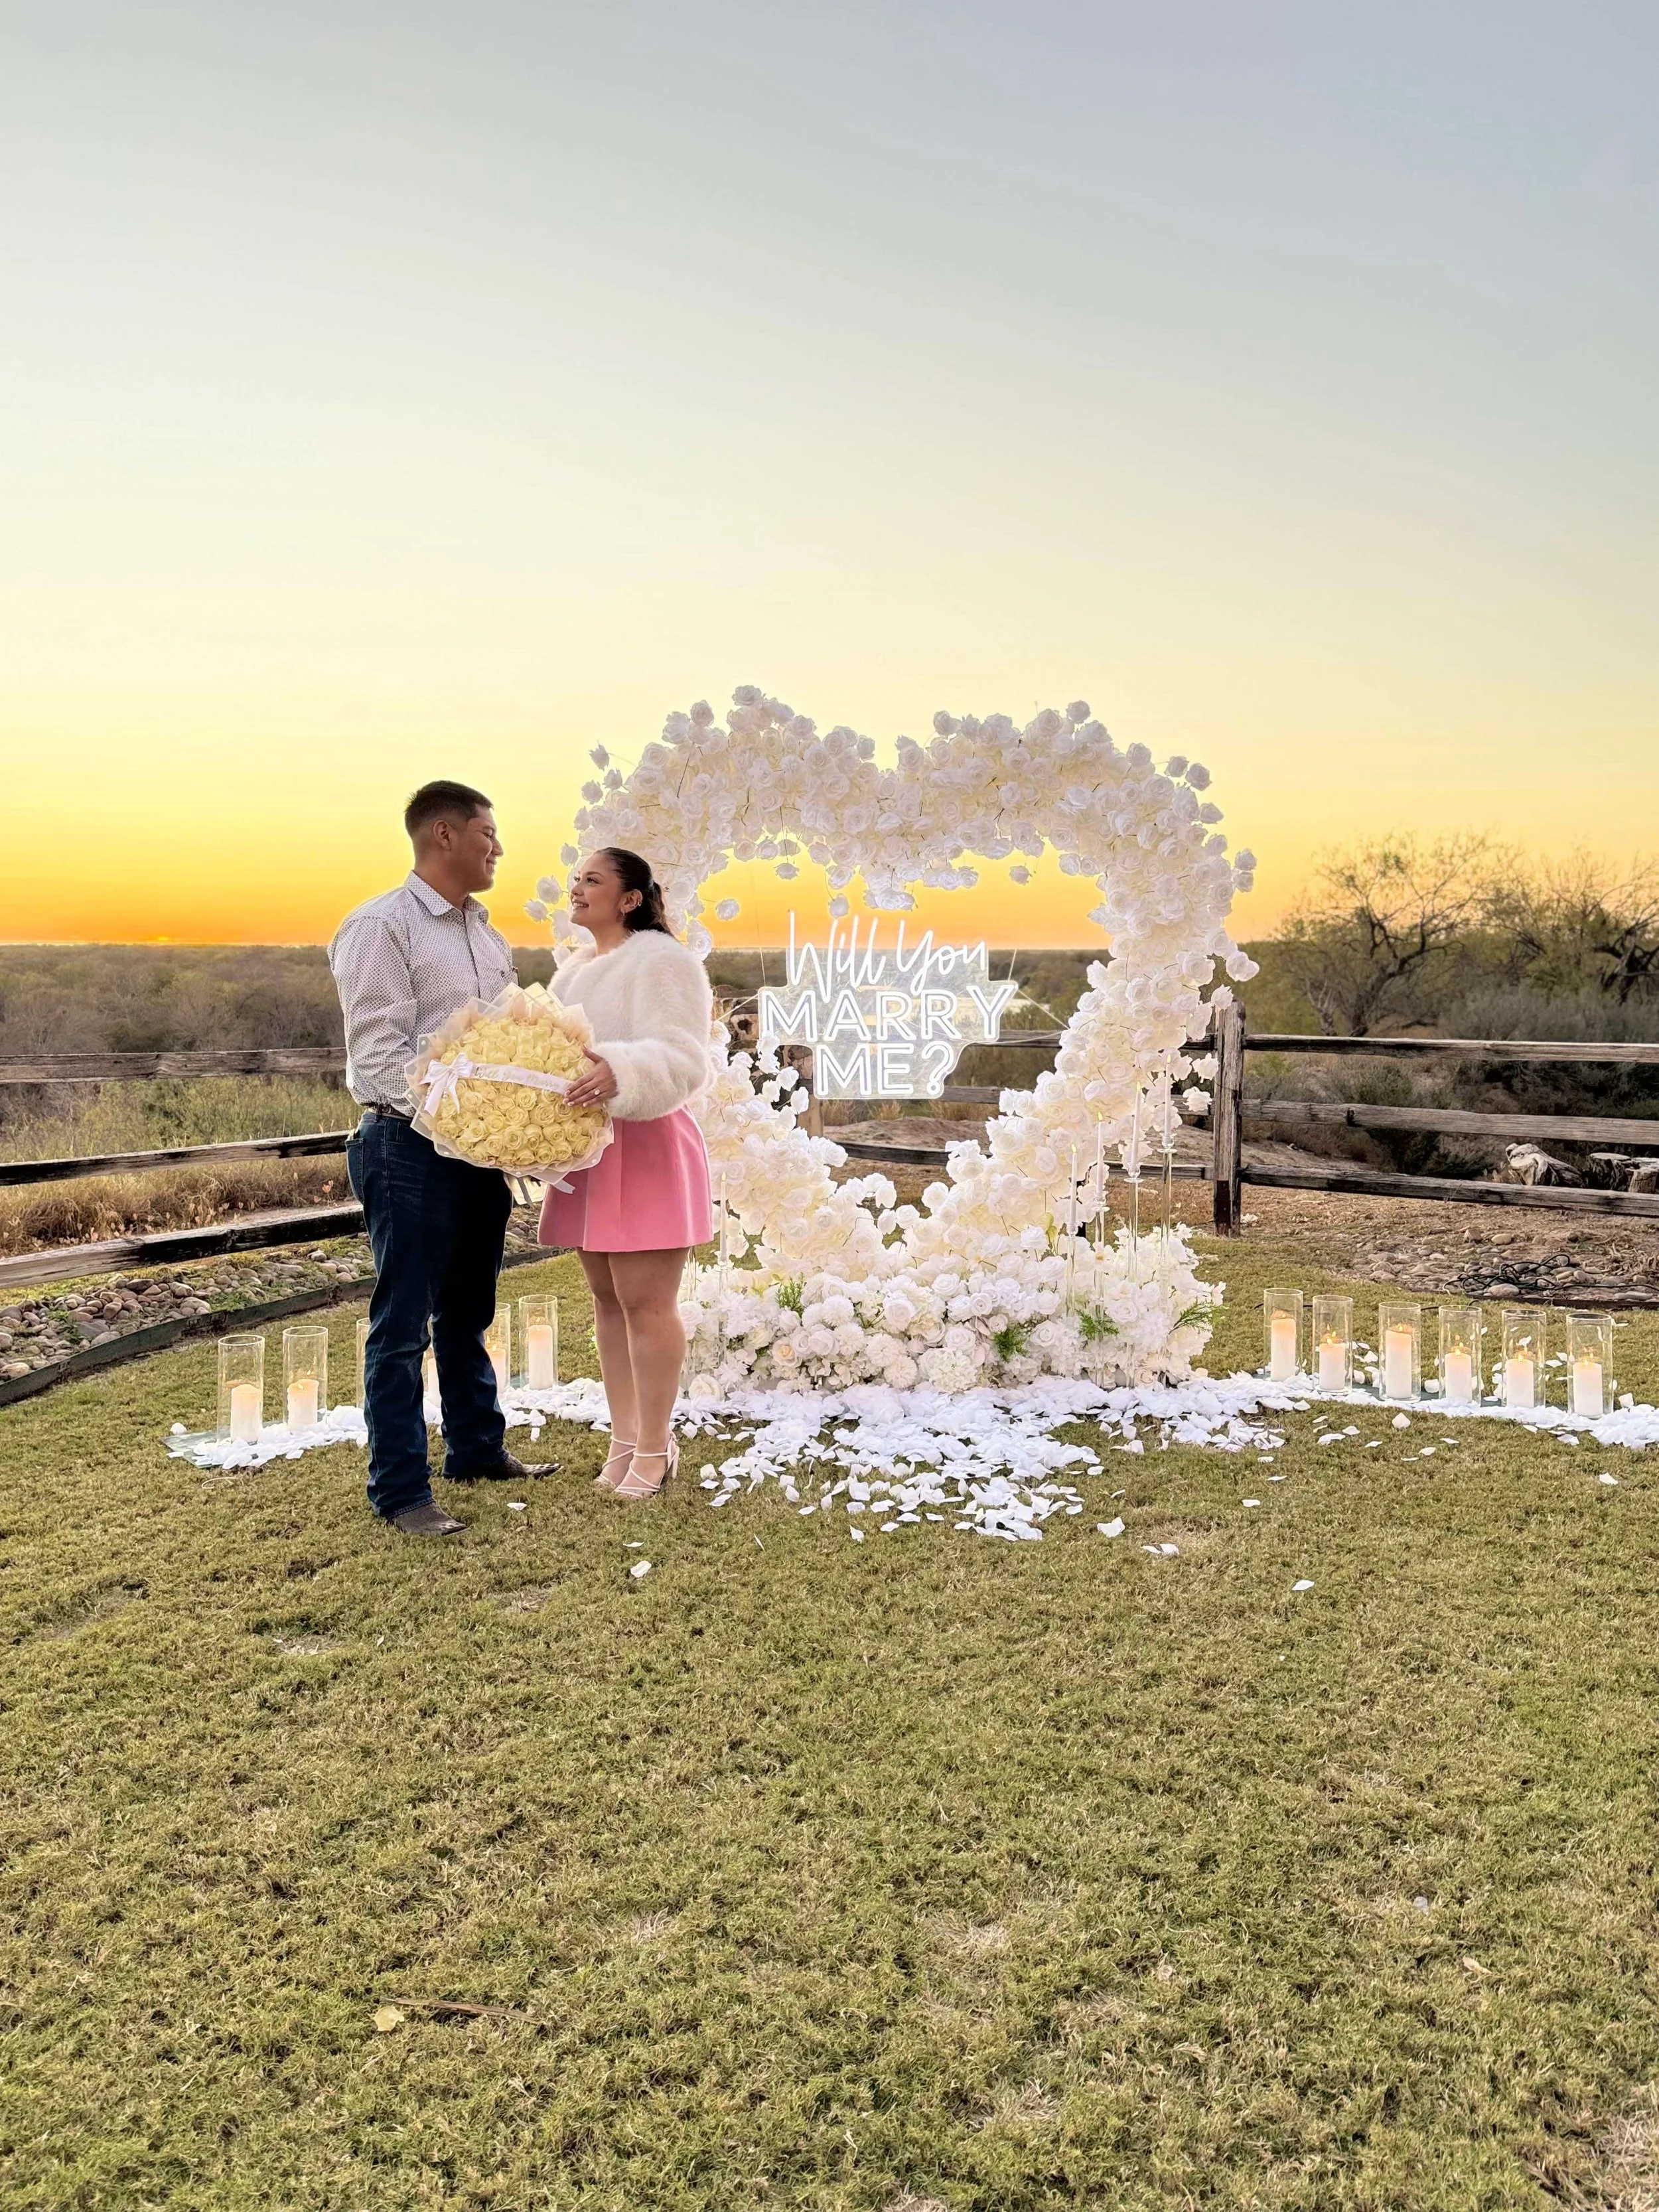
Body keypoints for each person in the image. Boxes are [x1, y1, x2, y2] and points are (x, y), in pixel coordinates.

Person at [329, 780, 540, 1537]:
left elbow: (502, 1047)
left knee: (469, 1312)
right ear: (444, 835)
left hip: (476, 1152)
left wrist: (514, 1121)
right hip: (406, 1145)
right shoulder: (381, 926)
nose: (499, 848)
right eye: (488, 833)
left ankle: (477, 1449)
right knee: (402, 1326)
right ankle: (400, 1492)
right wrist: (459, 1122)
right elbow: (377, 1055)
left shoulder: (487, 935)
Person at [541, 848, 714, 1501]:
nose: (577, 888)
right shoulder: (572, 973)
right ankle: (625, 1437)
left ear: (631, 898)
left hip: (646, 1141)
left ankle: (655, 1447)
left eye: (593, 880)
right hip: (591, 1148)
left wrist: (622, 1070)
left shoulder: (663, 959)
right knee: (608, 1302)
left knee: (646, 1303)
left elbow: (684, 1057)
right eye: (575, 879)